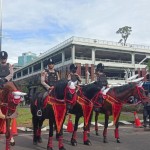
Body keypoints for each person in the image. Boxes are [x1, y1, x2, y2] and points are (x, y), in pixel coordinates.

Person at [0, 51, 14, 119]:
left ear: (6, 58)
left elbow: (11, 74)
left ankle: (15, 103)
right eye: (2, 58)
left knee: (14, 89)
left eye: (4, 58)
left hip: (7, 82)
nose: (3, 59)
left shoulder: (9, 65)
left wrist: (5, 79)